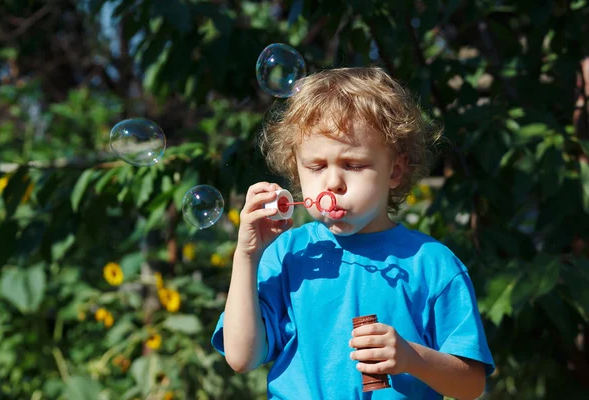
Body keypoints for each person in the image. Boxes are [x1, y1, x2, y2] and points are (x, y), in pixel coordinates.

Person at [211, 67, 494, 399]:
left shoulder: (432, 265)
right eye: (316, 167)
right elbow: (242, 357)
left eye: (354, 165)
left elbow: (471, 385)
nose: (332, 183)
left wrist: (411, 358)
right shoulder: (289, 254)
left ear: (396, 170)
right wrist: (247, 257)